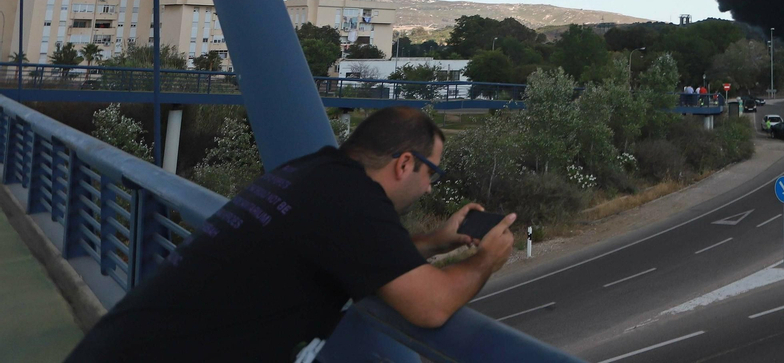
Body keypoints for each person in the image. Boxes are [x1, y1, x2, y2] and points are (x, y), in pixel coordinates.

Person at [66, 106, 516, 363]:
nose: (430, 186)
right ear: (404, 164)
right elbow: (430, 307)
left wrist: (435, 241)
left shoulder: (316, 173)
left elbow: (344, 252)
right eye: (431, 172)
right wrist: (485, 259)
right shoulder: (353, 201)